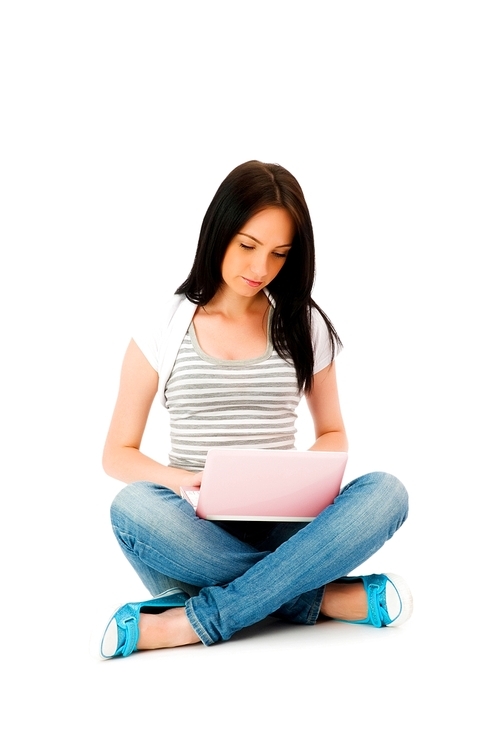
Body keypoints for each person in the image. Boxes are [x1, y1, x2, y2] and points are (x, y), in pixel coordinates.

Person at [94, 160, 412, 659]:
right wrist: (182, 481)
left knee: (387, 493)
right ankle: (320, 597)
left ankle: (199, 617)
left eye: (279, 254)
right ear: (218, 232)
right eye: (247, 246)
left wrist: (303, 474)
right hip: (196, 525)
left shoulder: (303, 324)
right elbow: (117, 454)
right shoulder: (163, 324)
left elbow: (332, 432)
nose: (260, 268)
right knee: (130, 509)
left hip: (288, 521)